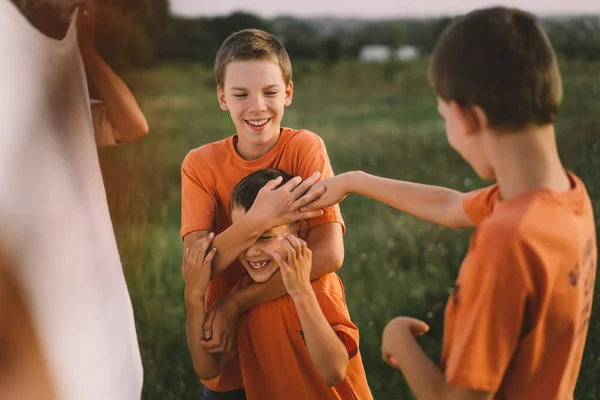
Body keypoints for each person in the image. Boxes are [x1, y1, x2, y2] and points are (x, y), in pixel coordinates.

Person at [301, 6, 597, 399]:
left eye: (444, 118)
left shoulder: (506, 242)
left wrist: (400, 343)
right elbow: (451, 207)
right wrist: (356, 181)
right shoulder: (565, 197)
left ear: (468, 117)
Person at [180, 29, 345, 398]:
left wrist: (236, 302)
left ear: (288, 92)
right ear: (222, 97)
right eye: (240, 94)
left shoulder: (304, 147)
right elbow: (200, 266)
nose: (257, 107)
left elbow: (330, 253)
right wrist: (261, 218)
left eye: (270, 92)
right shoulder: (200, 165)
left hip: (301, 332)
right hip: (230, 348)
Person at [184, 169, 372, 400]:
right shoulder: (242, 291)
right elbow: (208, 368)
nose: (252, 252)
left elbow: (333, 372)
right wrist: (193, 296)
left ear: (299, 230)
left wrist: (300, 291)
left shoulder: (318, 285)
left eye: (265, 237)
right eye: (245, 237)